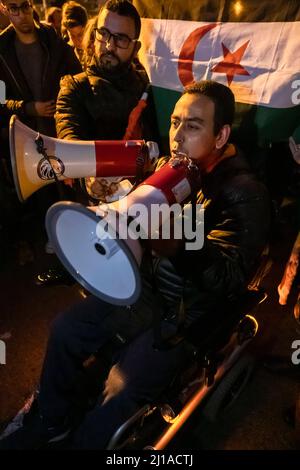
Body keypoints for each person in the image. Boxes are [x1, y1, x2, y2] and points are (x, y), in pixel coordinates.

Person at [0, 79, 270, 449]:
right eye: (175, 122)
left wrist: (179, 247)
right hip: (139, 286)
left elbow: (229, 277)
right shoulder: (169, 166)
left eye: (192, 126)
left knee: (121, 384)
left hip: (186, 315)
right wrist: (115, 194)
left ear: (221, 135)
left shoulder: (244, 194)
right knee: (65, 328)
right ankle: (51, 420)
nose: (177, 136)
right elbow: (132, 219)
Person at [37, 0, 158, 285]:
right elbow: (68, 137)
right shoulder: (74, 87)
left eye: (121, 38)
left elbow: (155, 143)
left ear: (136, 47)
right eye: (103, 33)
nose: (108, 45)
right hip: (92, 214)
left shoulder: (146, 87)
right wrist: (87, 174)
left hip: (140, 211)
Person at [0, 0, 81, 265]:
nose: (22, 14)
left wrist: (64, 98)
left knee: (68, 183)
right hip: (27, 134)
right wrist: (27, 108)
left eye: (25, 6)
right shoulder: (2, 49)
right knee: (42, 190)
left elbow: (77, 75)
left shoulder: (52, 38)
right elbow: (0, 100)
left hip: (60, 128)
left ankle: (76, 237)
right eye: (14, 8)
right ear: (3, 9)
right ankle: (54, 237)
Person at [61, 1, 88, 68]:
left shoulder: (96, 49)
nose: (77, 40)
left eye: (80, 35)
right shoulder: (66, 53)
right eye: (72, 36)